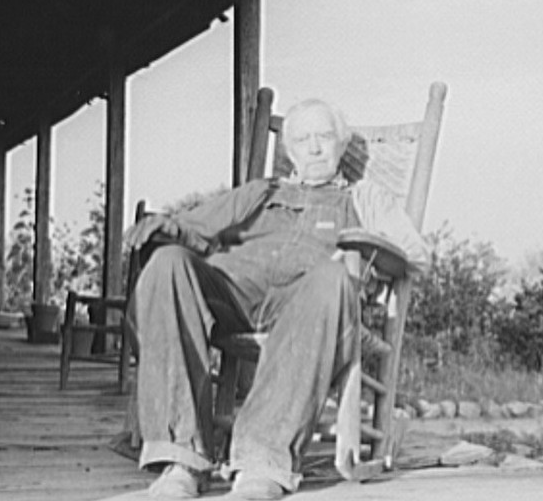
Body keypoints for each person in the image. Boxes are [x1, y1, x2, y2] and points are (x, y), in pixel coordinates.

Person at [125, 98, 429, 500]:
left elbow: (416, 256)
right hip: (233, 296)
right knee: (167, 263)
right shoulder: (260, 192)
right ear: (290, 152)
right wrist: (165, 227)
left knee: (332, 277)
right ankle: (181, 462)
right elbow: (190, 228)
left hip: (308, 309)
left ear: (342, 145)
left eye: (324, 137)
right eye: (303, 139)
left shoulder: (363, 197)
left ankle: (261, 465)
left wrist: (362, 255)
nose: (315, 148)